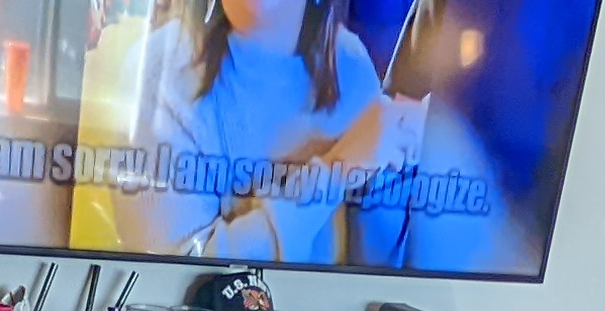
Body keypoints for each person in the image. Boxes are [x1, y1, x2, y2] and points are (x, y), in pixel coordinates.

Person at [100, 0, 398, 264]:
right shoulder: (158, 69)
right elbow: (173, 284)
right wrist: (334, 172)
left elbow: (378, 274)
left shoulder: (351, 65)